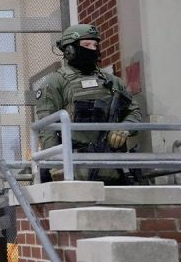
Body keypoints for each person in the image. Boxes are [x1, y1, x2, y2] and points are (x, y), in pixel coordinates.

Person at [36, 24, 142, 184]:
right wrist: (56, 164)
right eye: (87, 45)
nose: (93, 49)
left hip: (114, 167)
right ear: (69, 50)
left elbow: (133, 112)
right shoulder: (55, 83)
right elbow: (47, 128)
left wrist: (124, 128)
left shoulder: (113, 82)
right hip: (75, 168)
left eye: (95, 45)